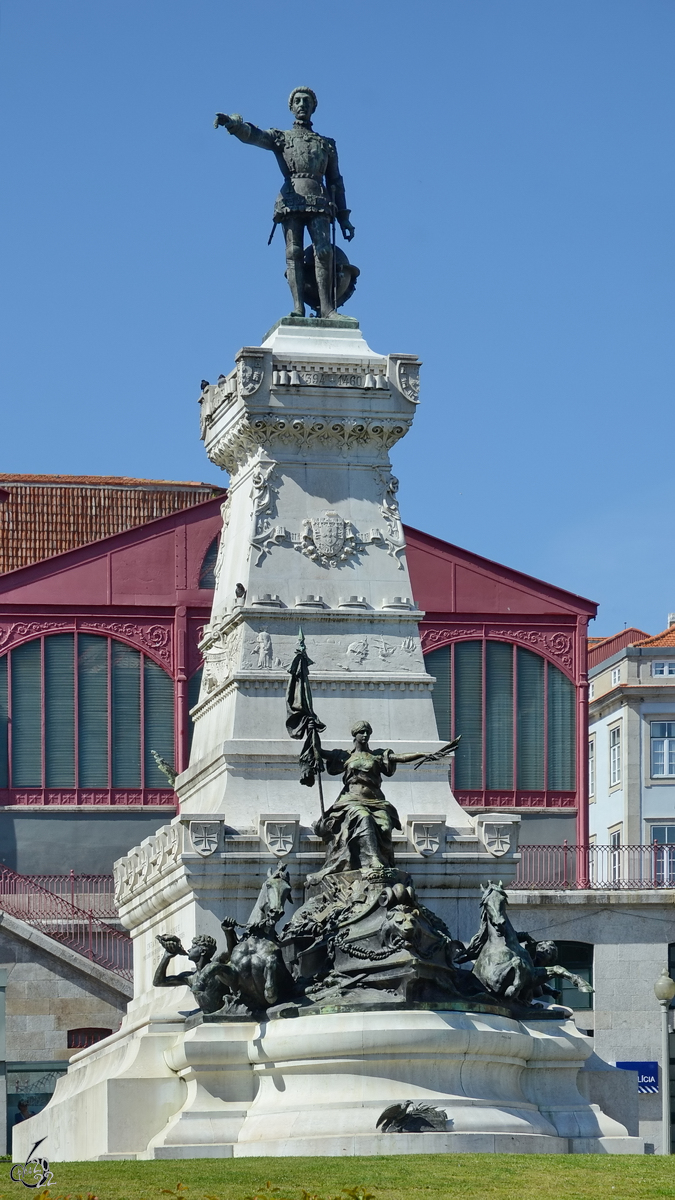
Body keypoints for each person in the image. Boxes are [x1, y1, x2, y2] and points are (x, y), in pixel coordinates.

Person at [214, 87, 355, 318]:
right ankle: (298, 307)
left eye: (306, 101)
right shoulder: (283, 137)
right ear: (291, 107)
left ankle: (328, 309)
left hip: (320, 200)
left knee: (324, 252)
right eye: (297, 101)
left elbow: (336, 181)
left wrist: (344, 217)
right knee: (294, 252)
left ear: (313, 107)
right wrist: (234, 125)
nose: (302, 104)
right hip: (292, 199)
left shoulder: (326, 144)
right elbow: (256, 136)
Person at [313, 720, 458, 877]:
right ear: (355, 735)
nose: (365, 735)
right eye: (362, 732)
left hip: (376, 802)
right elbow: (318, 751)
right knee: (364, 817)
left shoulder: (377, 755)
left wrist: (423, 755)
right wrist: (312, 731)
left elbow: (400, 758)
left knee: (385, 826)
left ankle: (382, 860)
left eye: (368, 732)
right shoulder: (344, 756)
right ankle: (373, 859)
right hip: (351, 801)